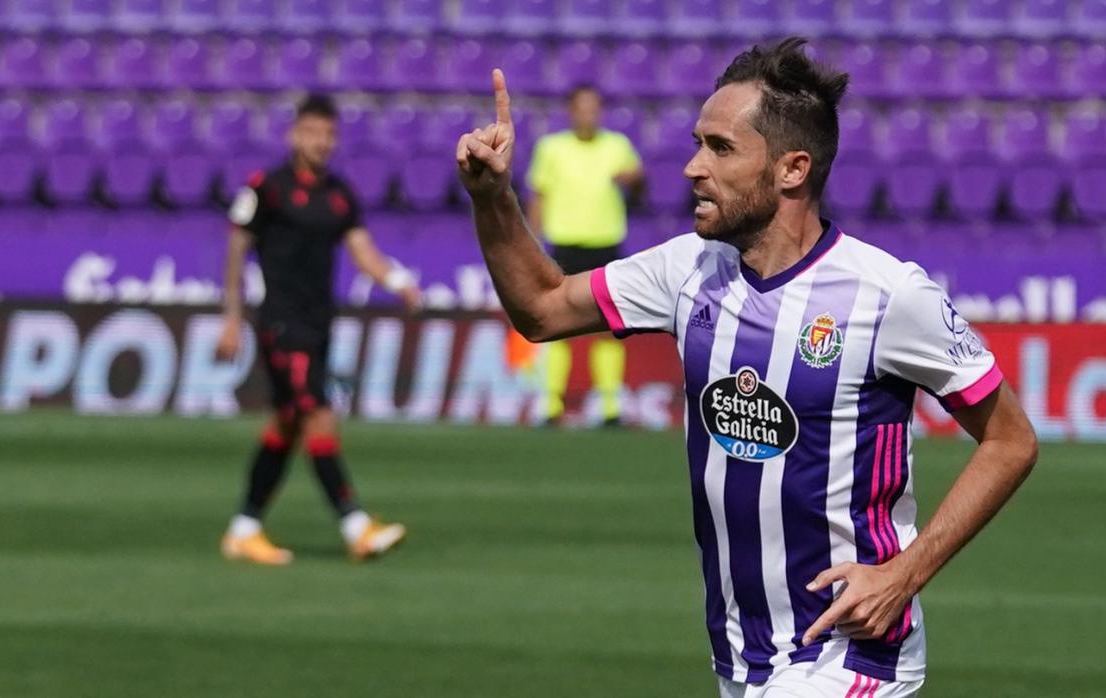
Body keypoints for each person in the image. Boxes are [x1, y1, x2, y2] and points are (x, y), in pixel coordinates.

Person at [455, 38, 1038, 696]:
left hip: (848, 656)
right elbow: (540, 308)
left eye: (720, 148)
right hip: (741, 655)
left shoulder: (888, 295)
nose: (692, 168)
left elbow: (1010, 438)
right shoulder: (690, 269)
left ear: (793, 169)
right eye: (699, 143)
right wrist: (491, 198)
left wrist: (904, 574)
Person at [216, 94, 420, 565]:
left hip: (318, 324)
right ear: (293, 134)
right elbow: (235, 249)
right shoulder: (266, 188)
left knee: (287, 423)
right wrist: (231, 318)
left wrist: (398, 280)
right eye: (311, 132)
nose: (320, 142)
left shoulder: (339, 195)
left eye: (328, 134)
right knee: (318, 416)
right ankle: (355, 525)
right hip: (282, 324)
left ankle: (243, 529)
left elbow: (362, 250)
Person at [525, 85, 643, 426]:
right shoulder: (552, 148)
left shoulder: (617, 146)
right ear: (571, 111)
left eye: (594, 108)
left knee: (608, 328)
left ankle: (609, 407)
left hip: (605, 244)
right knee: (556, 324)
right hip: (565, 244)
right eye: (582, 108)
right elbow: (538, 195)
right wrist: (535, 241)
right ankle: (550, 404)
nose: (588, 114)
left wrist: (634, 178)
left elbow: (639, 182)